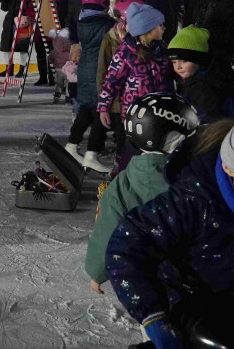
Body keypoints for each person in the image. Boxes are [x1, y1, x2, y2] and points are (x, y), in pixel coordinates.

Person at [106, 92, 234, 348]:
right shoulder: (195, 200)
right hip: (188, 318)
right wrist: (152, 315)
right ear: (230, 169)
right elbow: (128, 245)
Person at [86, 95, 226, 296]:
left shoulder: (123, 184)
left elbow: (108, 228)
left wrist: (96, 271)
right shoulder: (198, 173)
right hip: (201, 272)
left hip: (149, 274)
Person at [98, 3, 173, 175]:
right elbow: (111, 82)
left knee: (156, 153)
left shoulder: (162, 51)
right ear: (147, 29)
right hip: (136, 117)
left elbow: (173, 74)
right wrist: (104, 108)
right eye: (160, 25)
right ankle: (124, 180)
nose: (164, 28)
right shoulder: (126, 53)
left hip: (161, 114)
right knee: (132, 154)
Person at [65, 0, 116, 173]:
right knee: (100, 111)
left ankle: (72, 145)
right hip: (99, 69)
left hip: (86, 67)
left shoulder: (81, 21)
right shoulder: (106, 25)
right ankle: (91, 154)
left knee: (86, 108)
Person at [168, 25, 234, 123]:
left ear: (199, 60)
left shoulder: (200, 87)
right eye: (174, 62)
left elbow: (211, 120)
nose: (178, 66)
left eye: (184, 61)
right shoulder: (208, 75)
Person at [20, 0, 62, 86]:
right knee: (40, 51)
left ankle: (53, 77)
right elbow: (30, 2)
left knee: (51, 51)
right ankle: (43, 76)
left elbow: (59, 0)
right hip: (38, 23)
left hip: (50, 23)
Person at [0, 0, 29, 77]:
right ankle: (9, 69)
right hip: (9, 21)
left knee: (22, 47)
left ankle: (22, 69)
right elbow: (5, 8)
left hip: (22, 22)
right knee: (6, 46)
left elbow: (28, 8)